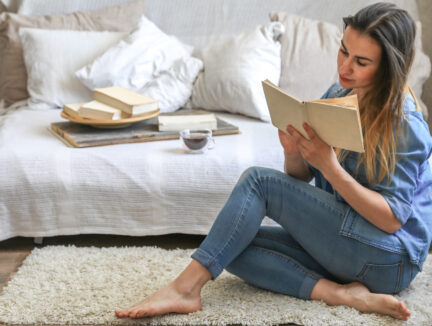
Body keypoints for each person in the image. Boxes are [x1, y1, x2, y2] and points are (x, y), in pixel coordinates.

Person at [115, 2, 432, 321]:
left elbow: (392, 219)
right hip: (345, 240)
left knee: (258, 181)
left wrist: (330, 168)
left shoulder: (405, 124)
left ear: (389, 68)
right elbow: (301, 177)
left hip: (390, 260)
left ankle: (184, 289)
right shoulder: (341, 92)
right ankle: (339, 293)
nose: (345, 67)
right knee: (230, 244)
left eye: (361, 61)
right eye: (343, 51)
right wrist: (294, 152)